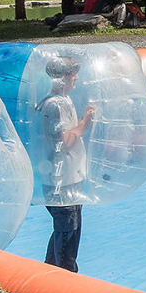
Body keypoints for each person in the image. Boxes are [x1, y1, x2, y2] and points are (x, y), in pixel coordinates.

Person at [37, 55, 95, 272]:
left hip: (69, 177)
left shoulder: (63, 101)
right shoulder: (54, 105)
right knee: (67, 238)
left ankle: (51, 271)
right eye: (73, 74)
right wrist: (83, 124)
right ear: (62, 78)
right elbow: (65, 140)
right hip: (60, 181)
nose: (76, 78)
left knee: (68, 231)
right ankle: (62, 278)